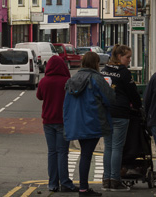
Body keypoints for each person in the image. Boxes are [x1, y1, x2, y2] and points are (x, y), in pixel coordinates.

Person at [63, 51, 115, 196]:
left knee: (84, 155)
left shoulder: (73, 79)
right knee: (86, 155)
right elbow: (110, 98)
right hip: (93, 121)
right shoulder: (96, 79)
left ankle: (83, 188)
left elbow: (67, 103)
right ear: (95, 63)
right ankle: (83, 189)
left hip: (77, 122)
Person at [100, 44, 141, 191]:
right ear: (119, 57)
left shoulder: (104, 70)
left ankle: (106, 179)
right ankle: (115, 180)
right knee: (117, 147)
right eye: (127, 57)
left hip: (106, 112)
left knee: (108, 147)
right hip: (120, 112)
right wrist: (138, 106)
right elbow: (133, 93)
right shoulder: (124, 72)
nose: (129, 60)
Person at [37, 54, 78, 192]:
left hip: (47, 121)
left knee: (52, 152)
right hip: (63, 121)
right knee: (62, 152)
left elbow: (39, 96)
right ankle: (65, 182)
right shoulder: (67, 81)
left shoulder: (44, 81)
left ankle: (52, 183)